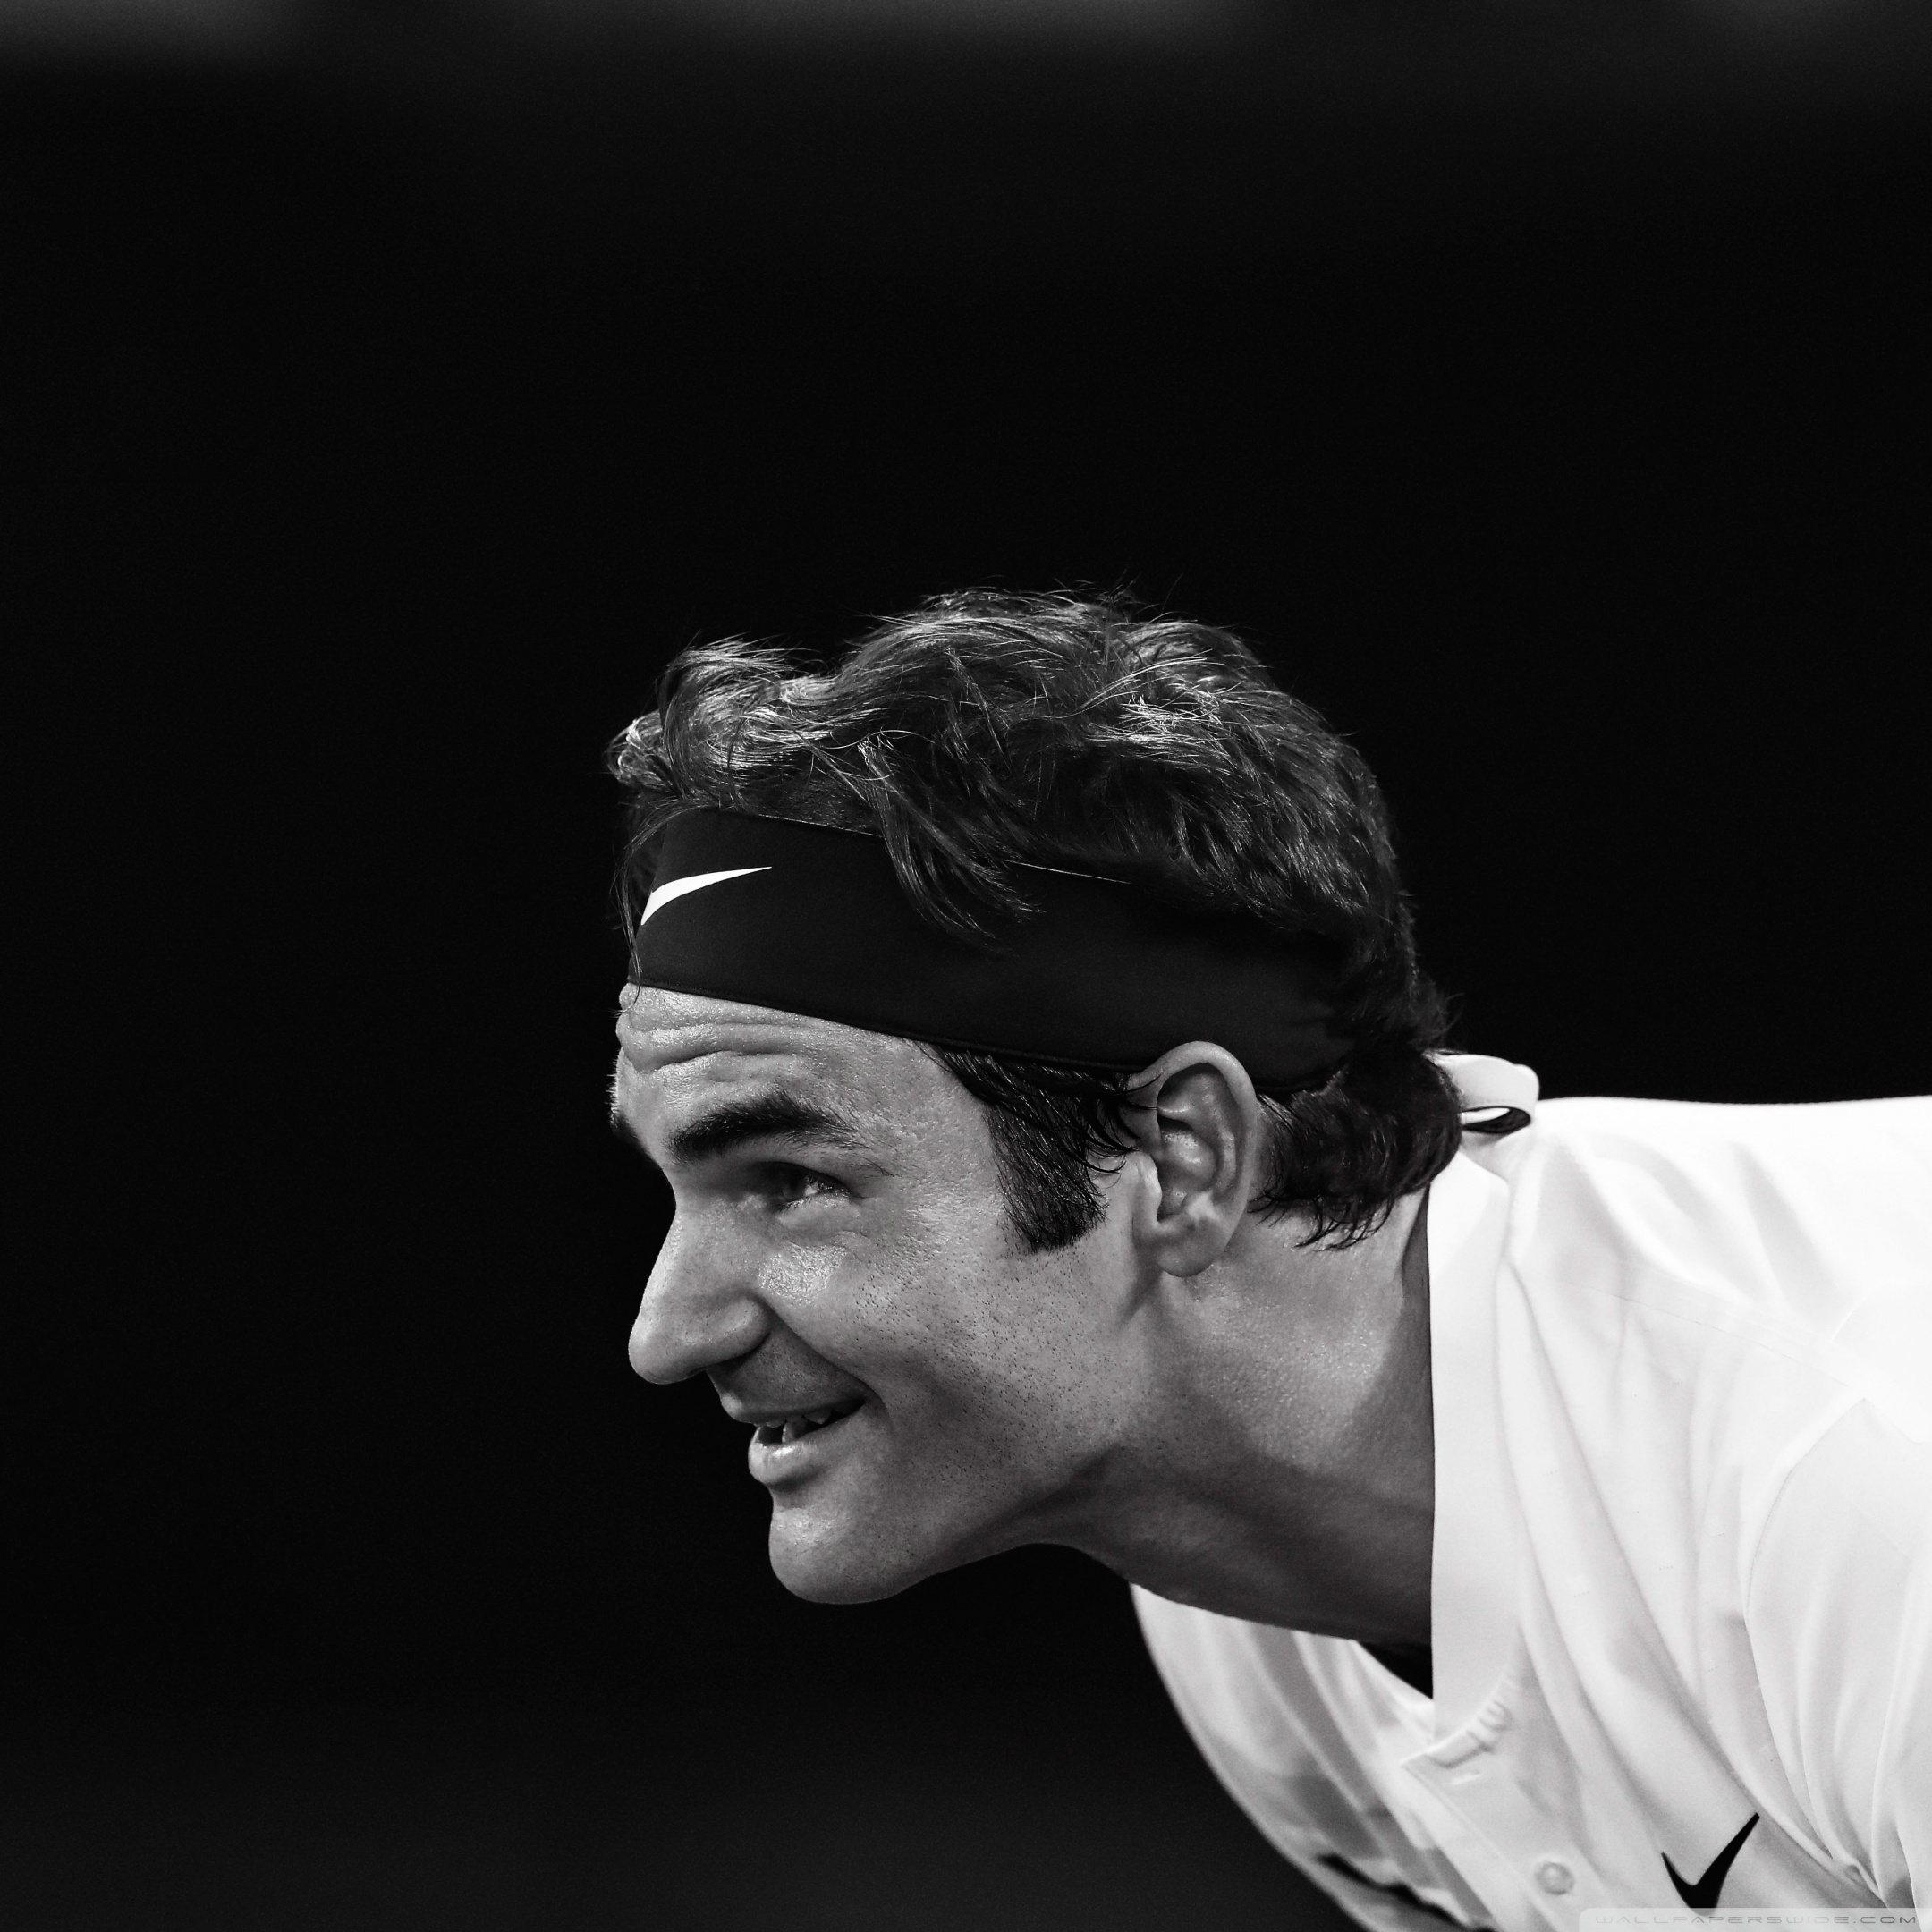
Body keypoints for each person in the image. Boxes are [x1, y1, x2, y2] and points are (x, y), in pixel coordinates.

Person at [604, 590, 1929, 1930]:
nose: (666, 1332)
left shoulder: (1851, 1481)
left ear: (1186, 1159)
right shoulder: (1230, 1589)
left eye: (793, 1181)